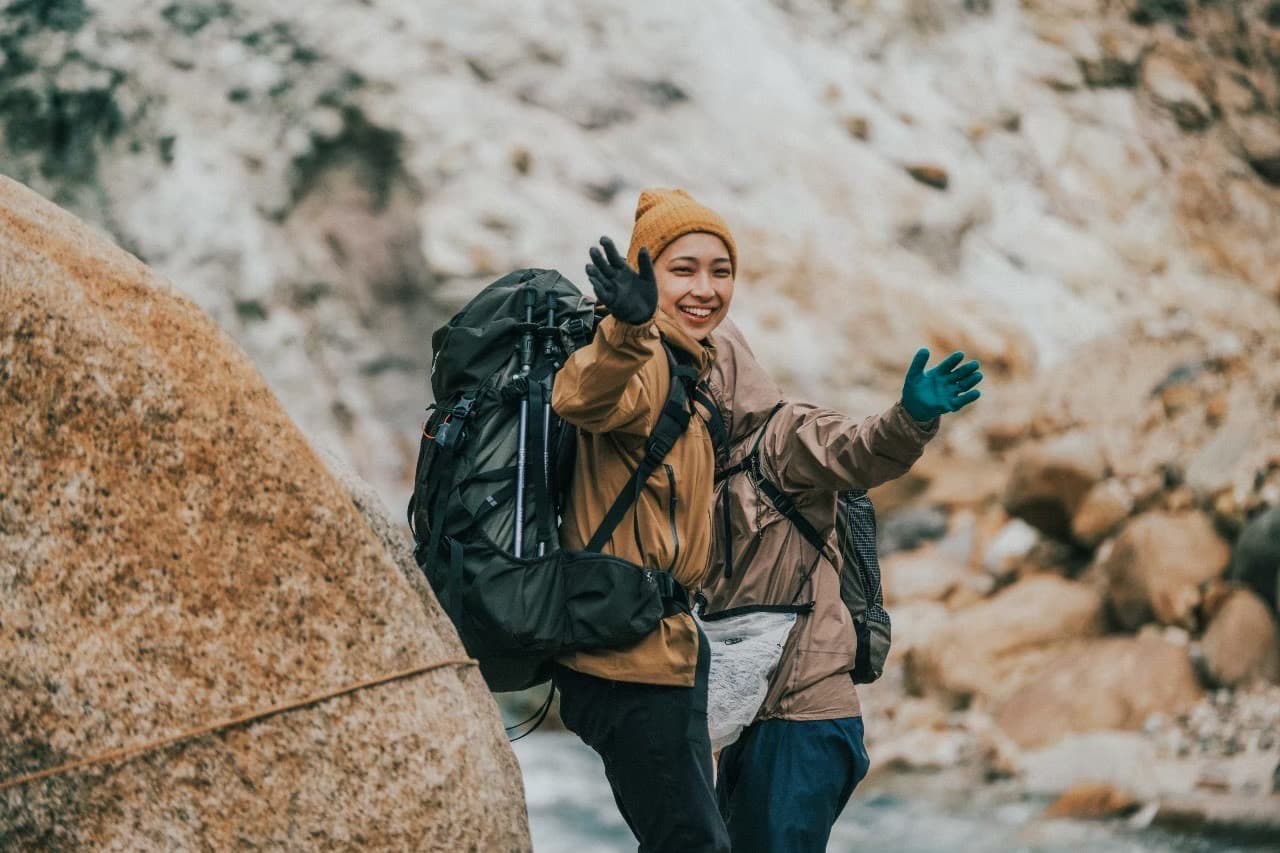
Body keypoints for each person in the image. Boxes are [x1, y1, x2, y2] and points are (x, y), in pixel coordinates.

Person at [699, 319, 982, 853]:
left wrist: (910, 418)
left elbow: (858, 448)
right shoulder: (701, 467)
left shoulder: (783, 435)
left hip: (806, 721)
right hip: (752, 721)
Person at [551, 188, 736, 853]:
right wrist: (628, 326)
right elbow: (580, 397)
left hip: (664, 653)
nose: (705, 288)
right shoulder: (644, 358)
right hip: (623, 663)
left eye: (720, 270)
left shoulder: (689, 367)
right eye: (682, 269)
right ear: (642, 274)